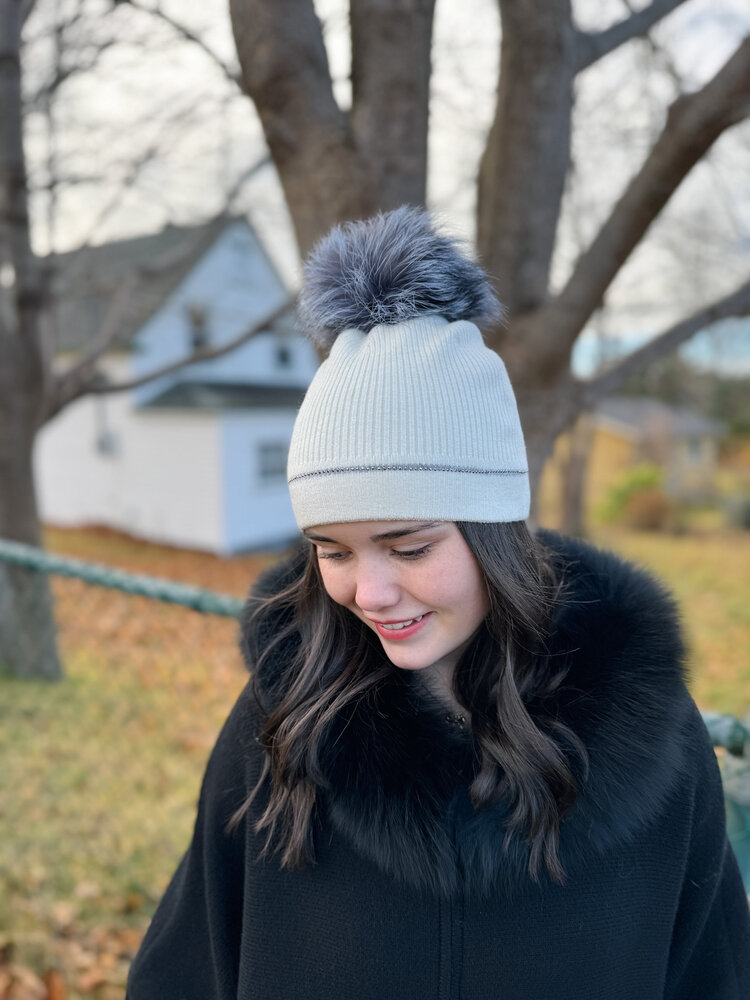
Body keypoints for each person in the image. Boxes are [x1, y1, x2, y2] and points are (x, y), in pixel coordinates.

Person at [126, 207, 750, 999]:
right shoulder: (281, 728)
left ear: (491, 529)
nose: (371, 592)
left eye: (410, 546)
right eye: (333, 551)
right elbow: (183, 973)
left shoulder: (655, 743)